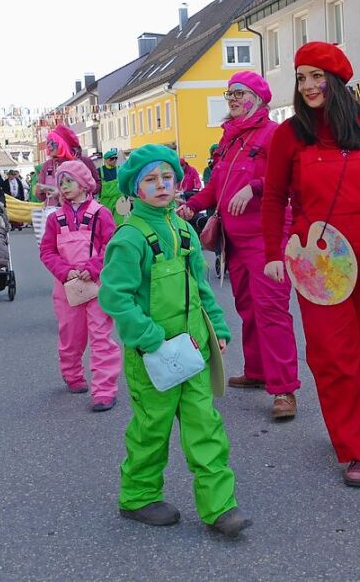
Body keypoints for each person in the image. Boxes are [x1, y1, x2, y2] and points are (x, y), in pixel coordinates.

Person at [261, 42, 360, 488]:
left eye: (316, 76)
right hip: (315, 257)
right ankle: (358, 447)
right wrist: (274, 255)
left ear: (336, 81)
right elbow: (275, 197)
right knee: (334, 355)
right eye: (301, 78)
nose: (308, 86)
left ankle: (345, 411)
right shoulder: (289, 135)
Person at [98, 144, 251, 537]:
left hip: (193, 349)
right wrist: (149, 339)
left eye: (166, 177)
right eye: (150, 179)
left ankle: (220, 508)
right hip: (153, 355)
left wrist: (216, 328)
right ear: (135, 189)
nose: (162, 185)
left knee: (206, 426)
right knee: (153, 428)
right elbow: (115, 296)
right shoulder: (129, 238)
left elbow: (200, 286)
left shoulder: (184, 229)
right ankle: (138, 496)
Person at [179, 71, 300, 421]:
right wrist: (192, 205)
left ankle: (284, 389)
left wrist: (257, 187)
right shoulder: (230, 140)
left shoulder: (275, 135)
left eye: (240, 93)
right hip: (234, 241)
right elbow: (216, 188)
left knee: (272, 311)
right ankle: (258, 370)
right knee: (247, 307)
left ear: (259, 99)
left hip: (268, 237)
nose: (232, 99)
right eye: (229, 93)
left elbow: (291, 178)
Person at [39, 159, 120, 412]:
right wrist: (65, 272)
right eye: (61, 182)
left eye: (69, 181)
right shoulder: (56, 218)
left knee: (100, 336)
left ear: (85, 185)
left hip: (96, 285)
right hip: (67, 287)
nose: (63, 186)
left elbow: (111, 246)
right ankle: (72, 374)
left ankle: (104, 389)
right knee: (70, 335)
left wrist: (93, 267)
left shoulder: (100, 213)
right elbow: (47, 250)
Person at [35, 126, 100, 207]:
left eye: (53, 143)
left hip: (80, 211)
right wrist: (40, 191)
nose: (49, 147)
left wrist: (74, 192)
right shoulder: (47, 165)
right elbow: (41, 197)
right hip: (54, 214)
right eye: (48, 143)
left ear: (63, 144)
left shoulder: (83, 162)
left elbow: (96, 186)